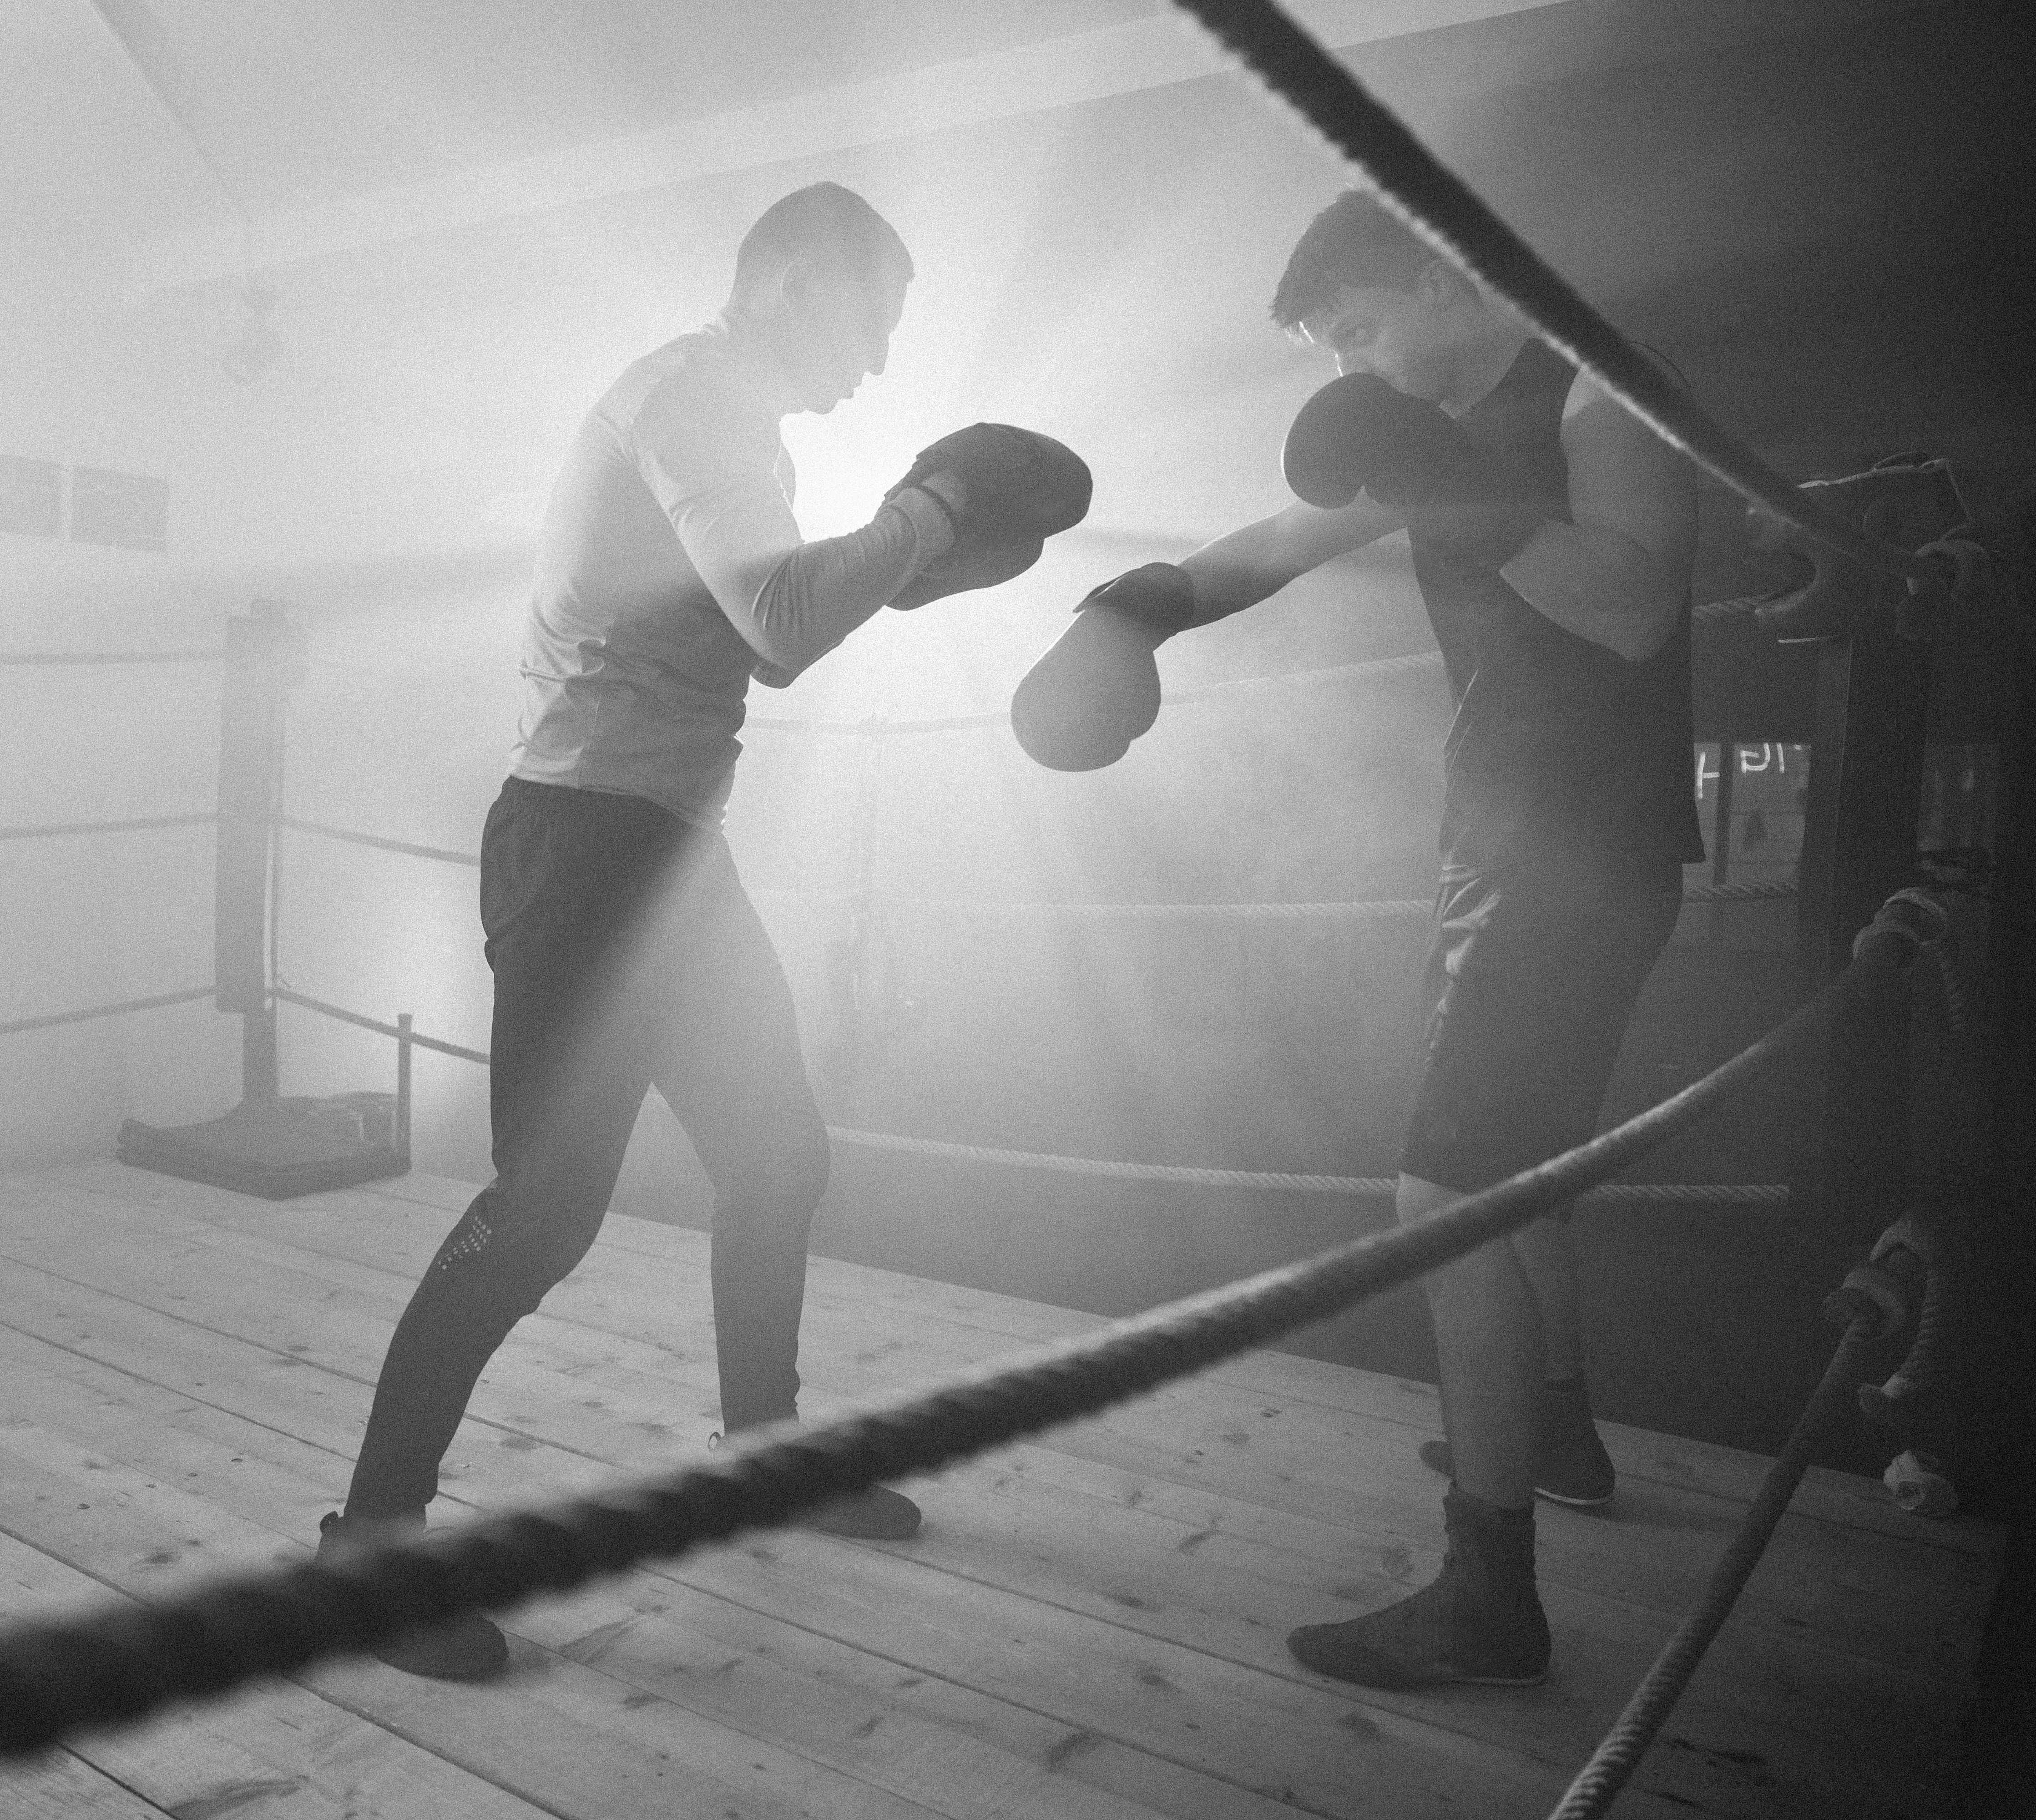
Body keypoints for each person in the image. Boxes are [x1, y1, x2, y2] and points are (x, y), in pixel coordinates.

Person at [321, 181, 1090, 1681]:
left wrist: (915, 565)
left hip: (663, 852)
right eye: (875, 324)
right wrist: (926, 519)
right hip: (587, 848)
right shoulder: (693, 397)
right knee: (544, 1211)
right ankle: (370, 1549)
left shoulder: (735, 423)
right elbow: (786, 629)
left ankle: (759, 1456)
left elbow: (764, 615)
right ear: (796, 279)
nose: (875, 366)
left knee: (779, 1155)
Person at [1012, 189, 1702, 1689]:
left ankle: (1489, 1585)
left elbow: (1640, 607)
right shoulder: (1424, 428)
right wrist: (1131, 610)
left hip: (1586, 850)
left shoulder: (1596, 388)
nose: (1368, 371)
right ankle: (1561, 1424)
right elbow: (1266, 546)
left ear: (1446, 276)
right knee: (1513, 1179)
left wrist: (1466, 500)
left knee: (1444, 1192)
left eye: (1370, 328)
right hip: (1501, 840)